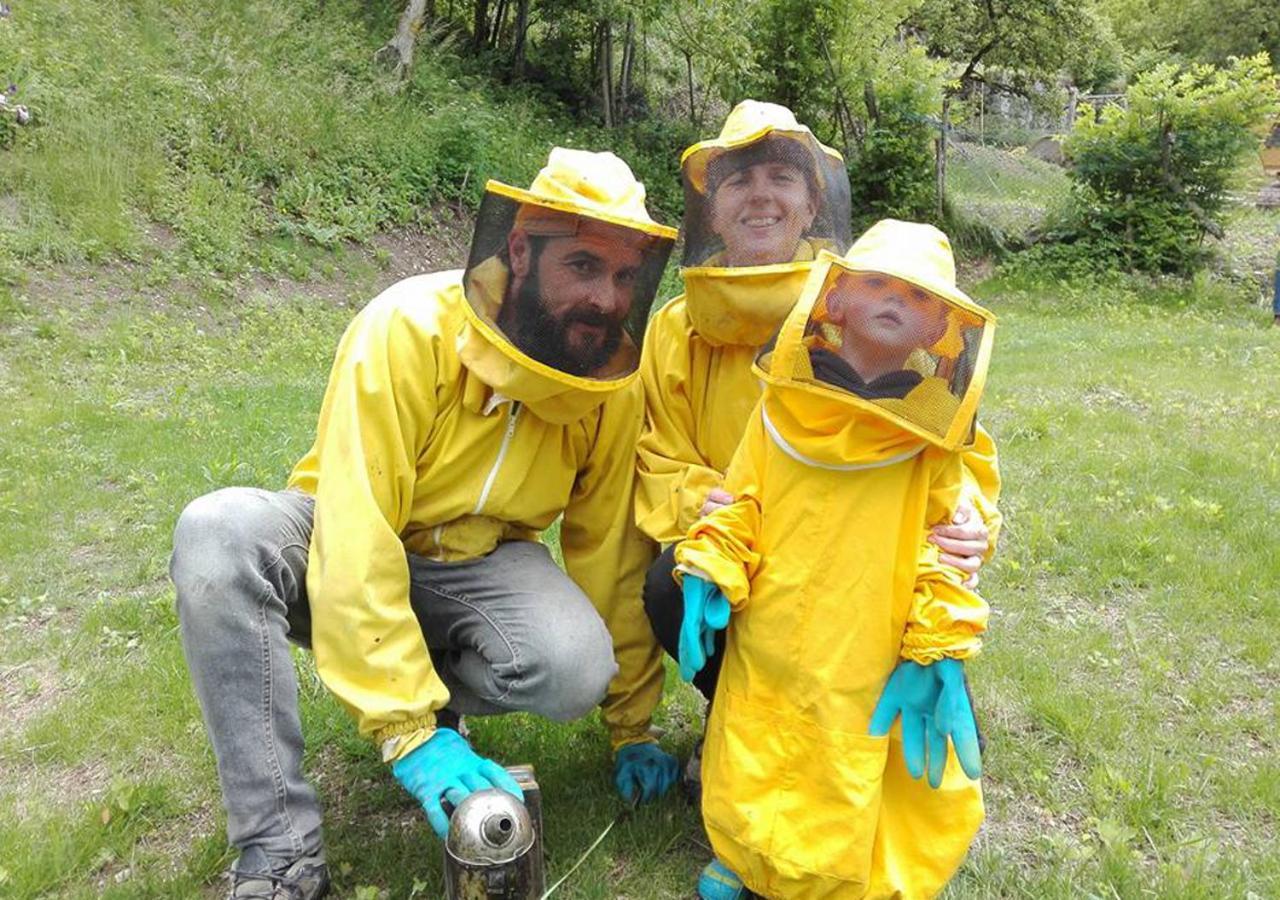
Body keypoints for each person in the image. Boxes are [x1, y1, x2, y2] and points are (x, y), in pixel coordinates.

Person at [169, 148, 681, 900]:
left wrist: (632, 725)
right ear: (519, 250)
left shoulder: (609, 377)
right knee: (216, 534)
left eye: (623, 276)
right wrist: (406, 731)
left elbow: (606, 547)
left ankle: (431, 699)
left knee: (574, 663)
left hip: (485, 561)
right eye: (583, 265)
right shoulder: (406, 325)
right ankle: (278, 849)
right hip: (341, 533)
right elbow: (359, 524)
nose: (606, 297)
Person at [634, 102, 1000, 798]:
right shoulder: (673, 332)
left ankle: (864, 731)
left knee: (923, 776)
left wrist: (970, 524)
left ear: (811, 206)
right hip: (747, 554)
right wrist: (705, 506)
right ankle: (738, 719)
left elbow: (960, 451)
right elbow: (658, 456)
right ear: (710, 212)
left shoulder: (866, 306)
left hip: (861, 565)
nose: (762, 196)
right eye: (739, 181)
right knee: (670, 583)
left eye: (782, 179)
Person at [674, 220, 995, 899]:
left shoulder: (935, 432)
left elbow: (950, 543)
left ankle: (832, 881)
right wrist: (712, 566)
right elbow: (740, 497)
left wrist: (937, 645)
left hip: (865, 636)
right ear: (837, 300)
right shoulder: (780, 404)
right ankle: (744, 852)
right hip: (773, 620)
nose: (893, 299)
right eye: (876, 282)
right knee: (752, 726)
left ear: (940, 327)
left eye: (917, 296)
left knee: (847, 744)